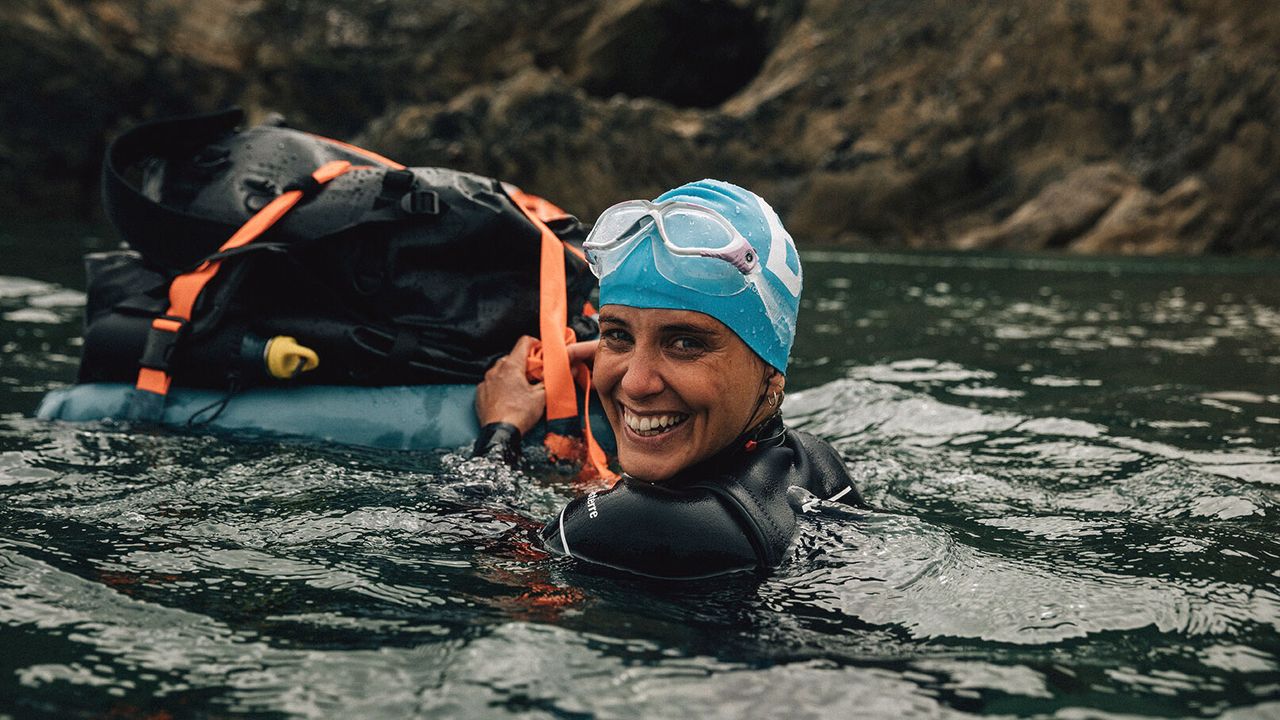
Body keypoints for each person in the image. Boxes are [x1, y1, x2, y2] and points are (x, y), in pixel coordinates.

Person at [473, 179, 863, 579]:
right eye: (618, 335)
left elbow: (481, 553)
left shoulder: (640, 527)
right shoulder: (815, 463)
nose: (636, 383)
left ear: (771, 371)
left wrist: (500, 429)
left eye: (685, 343)